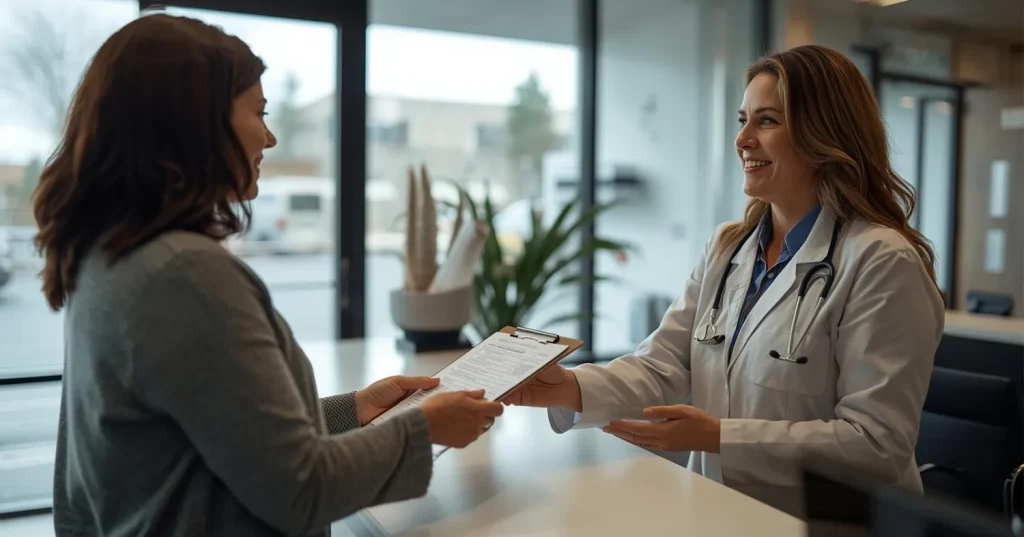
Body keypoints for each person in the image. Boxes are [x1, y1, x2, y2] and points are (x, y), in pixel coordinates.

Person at [34, 13, 502, 537]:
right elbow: (300, 489)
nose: (271, 137)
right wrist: (426, 428)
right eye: (258, 111)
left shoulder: (110, 255)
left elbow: (222, 436)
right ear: (195, 122)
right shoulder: (183, 275)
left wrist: (356, 411)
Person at [505, 45, 944, 494]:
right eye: (743, 120)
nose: (743, 139)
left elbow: (878, 445)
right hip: (721, 510)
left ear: (826, 135)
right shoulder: (728, 248)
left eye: (767, 120)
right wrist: (566, 387)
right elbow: (663, 366)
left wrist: (718, 436)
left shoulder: (882, 262)